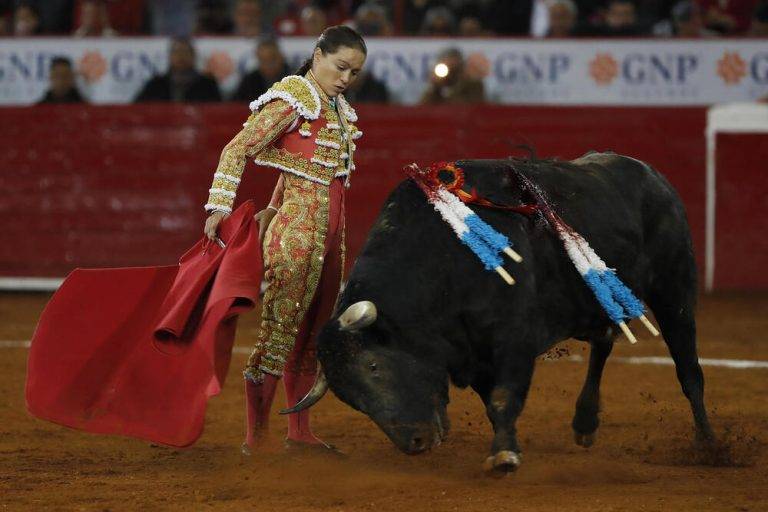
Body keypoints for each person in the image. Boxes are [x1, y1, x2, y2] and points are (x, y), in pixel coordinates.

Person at [203, 25, 367, 454]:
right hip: (296, 235)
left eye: (355, 71)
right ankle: (255, 439)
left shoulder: (336, 108)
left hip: (332, 237)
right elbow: (237, 148)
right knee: (278, 333)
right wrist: (219, 207)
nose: (347, 77)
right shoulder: (296, 96)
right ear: (318, 56)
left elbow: (298, 167)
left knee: (313, 333)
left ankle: (299, 433)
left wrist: (274, 200)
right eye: (341, 66)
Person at [134, 38, 221, 102]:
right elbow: (138, 109)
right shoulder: (156, 84)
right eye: (177, 52)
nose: (181, 56)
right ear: (170, 57)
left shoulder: (207, 84)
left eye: (186, 52)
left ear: (193, 56)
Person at [231, 37, 291, 102]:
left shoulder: (292, 78)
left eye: (272, 59)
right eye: (263, 60)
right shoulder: (249, 81)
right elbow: (235, 104)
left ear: (281, 57)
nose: (268, 65)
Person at [420, 47, 485, 104]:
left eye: (453, 63)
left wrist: (454, 88)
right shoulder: (438, 85)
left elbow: (471, 106)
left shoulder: (473, 84)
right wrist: (435, 87)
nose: (451, 68)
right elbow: (423, 107)